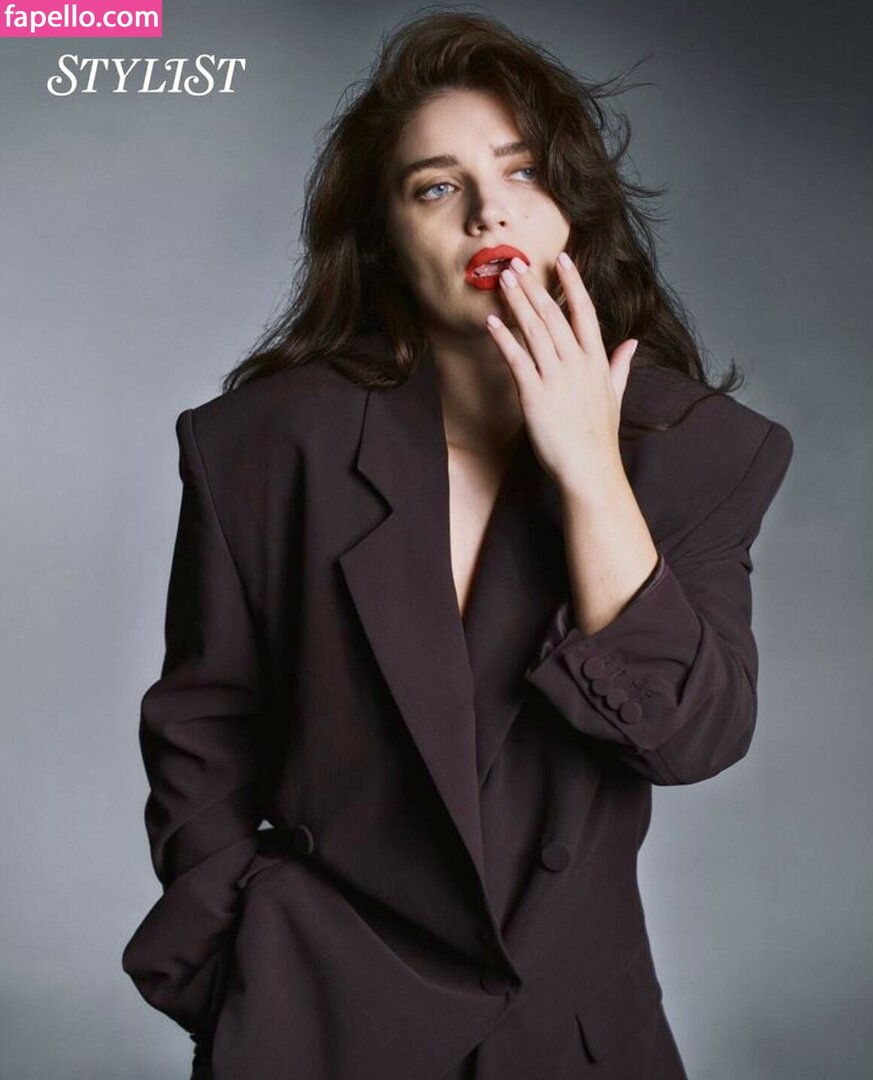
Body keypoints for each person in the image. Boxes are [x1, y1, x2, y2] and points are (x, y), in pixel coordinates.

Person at [122, 11, 794, 1079]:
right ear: (383, 235)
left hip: (569, 1034)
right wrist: (236, 966)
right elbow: (203, 726)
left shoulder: (699, 451)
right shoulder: (263, 444)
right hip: (319, 1020)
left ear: (572, 206)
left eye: (521, 172)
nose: (489, 211)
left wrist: (589, 469)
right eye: (435, 188)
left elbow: (688, 738)